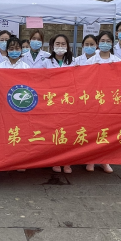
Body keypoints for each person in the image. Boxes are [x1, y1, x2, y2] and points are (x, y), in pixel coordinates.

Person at [84, 31, 120, 174]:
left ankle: (105, 160)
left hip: (111, 100)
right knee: (93, 130)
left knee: (107, 130)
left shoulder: (117, 61)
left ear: (112, 43)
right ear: (98, 43)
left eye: (108, 41)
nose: (105, 43)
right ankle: (91, 160)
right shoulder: (91, 61)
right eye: (102, 41)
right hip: (94, 99)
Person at [44, 35, 75, 174]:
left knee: (68, 131)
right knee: (55, 131)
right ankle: (56, 160)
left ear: (67, 46)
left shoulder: (74, 62)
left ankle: (67, 161)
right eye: (57, 43)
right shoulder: (46, 62)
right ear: (52, 46)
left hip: (69, 101)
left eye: (63, 44)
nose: (60, 46)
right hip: (52, 101)